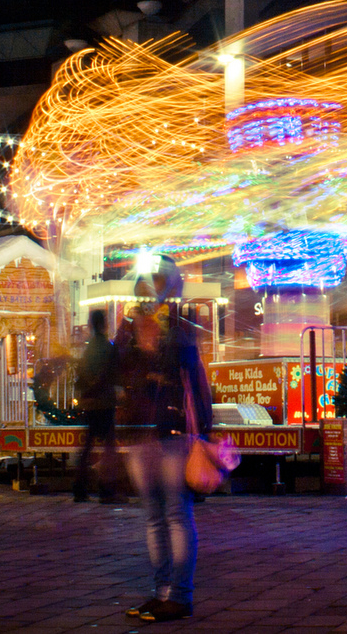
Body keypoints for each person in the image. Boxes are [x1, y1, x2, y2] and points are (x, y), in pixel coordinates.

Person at [120, 255, 212, 624]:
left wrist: (203, 433)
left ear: (169, 286)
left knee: (175, 514)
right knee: (154, 518)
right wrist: (129, 332)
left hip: (173, 433)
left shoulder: (179, 326)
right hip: (141, 433)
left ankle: (180, 596)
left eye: (156, 283)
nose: (149, 292)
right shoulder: (128, 327)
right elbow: (119, 369)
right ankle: (161, 593)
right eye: (145, 284)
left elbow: (192, 377)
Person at [74, 309, 123, 503]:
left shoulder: (89, 349)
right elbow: (114, 373)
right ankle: (106, 490)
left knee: (87, 445)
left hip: (91, 403)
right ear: (104, 324)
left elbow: (81, 375)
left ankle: (79, 488)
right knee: (109, 447)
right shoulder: (107, 347)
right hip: (104, 402)